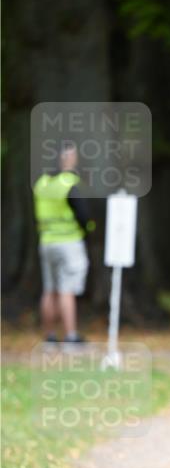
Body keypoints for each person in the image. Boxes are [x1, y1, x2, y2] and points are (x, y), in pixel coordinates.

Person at [33, 143, 93, 346]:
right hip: (68, 241)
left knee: (49, 290)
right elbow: (83, 215)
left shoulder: (42, 183)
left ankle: (49, 337)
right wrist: (90, 230)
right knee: (67, 289)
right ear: (66, 158)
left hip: (46, 241)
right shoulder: (69, 182)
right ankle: (70, 336)